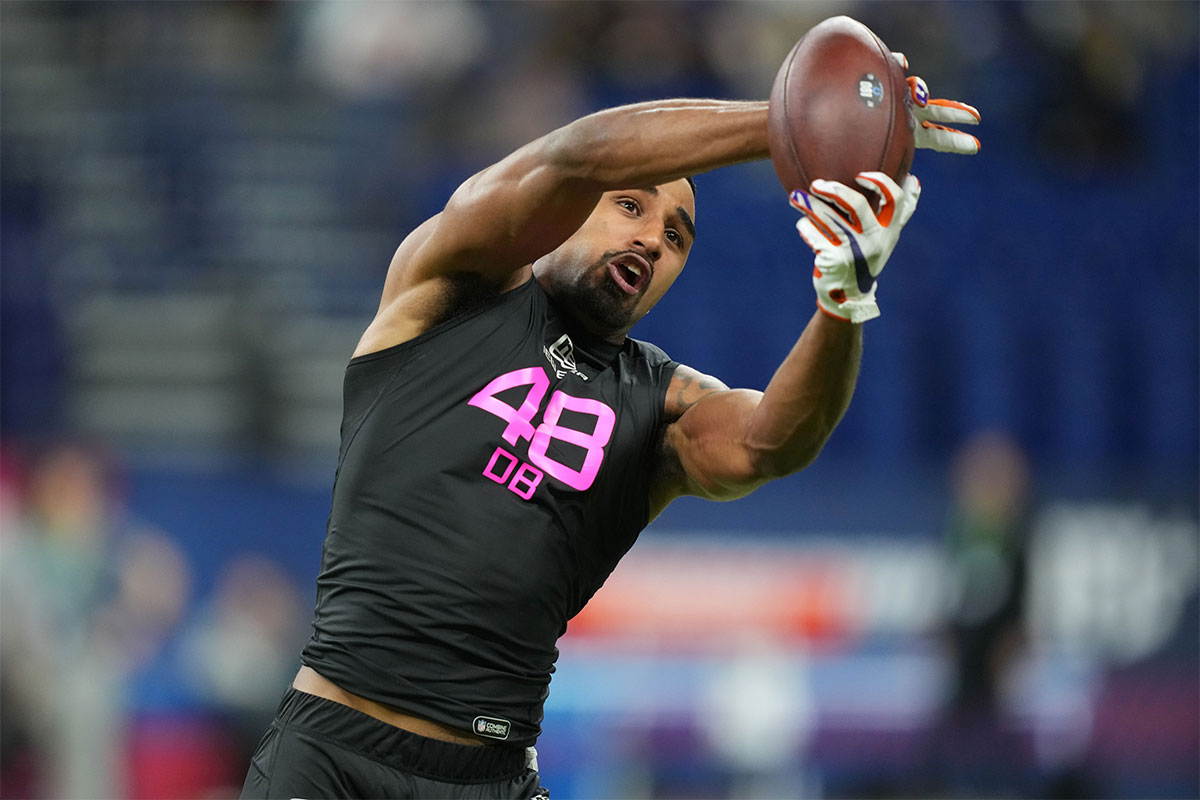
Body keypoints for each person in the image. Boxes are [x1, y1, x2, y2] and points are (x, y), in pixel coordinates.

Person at [240, 53, 981, 799]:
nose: (653, 239)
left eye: (677, 236)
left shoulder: (659, 402)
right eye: (631, 206)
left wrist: (844, 300)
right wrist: (804, 122)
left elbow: (771, 443)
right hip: (334, 757)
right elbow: (577, 155)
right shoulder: (452, 284)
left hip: (490, 778)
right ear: (575, 209)